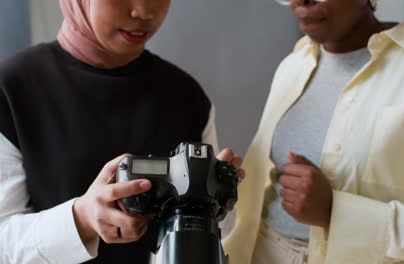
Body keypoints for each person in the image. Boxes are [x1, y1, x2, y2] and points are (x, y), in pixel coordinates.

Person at [221, 0, 404, 263]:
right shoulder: (293, 65)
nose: (301, 2)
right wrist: (225, 185)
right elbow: (265, 193)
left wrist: (336, 212)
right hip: (265, 253)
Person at [0, 0, 244, 263]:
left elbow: (223, 228)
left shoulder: (187, 96)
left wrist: (219, 198)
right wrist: (81, 218)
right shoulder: (11, 90)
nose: (144, 12)